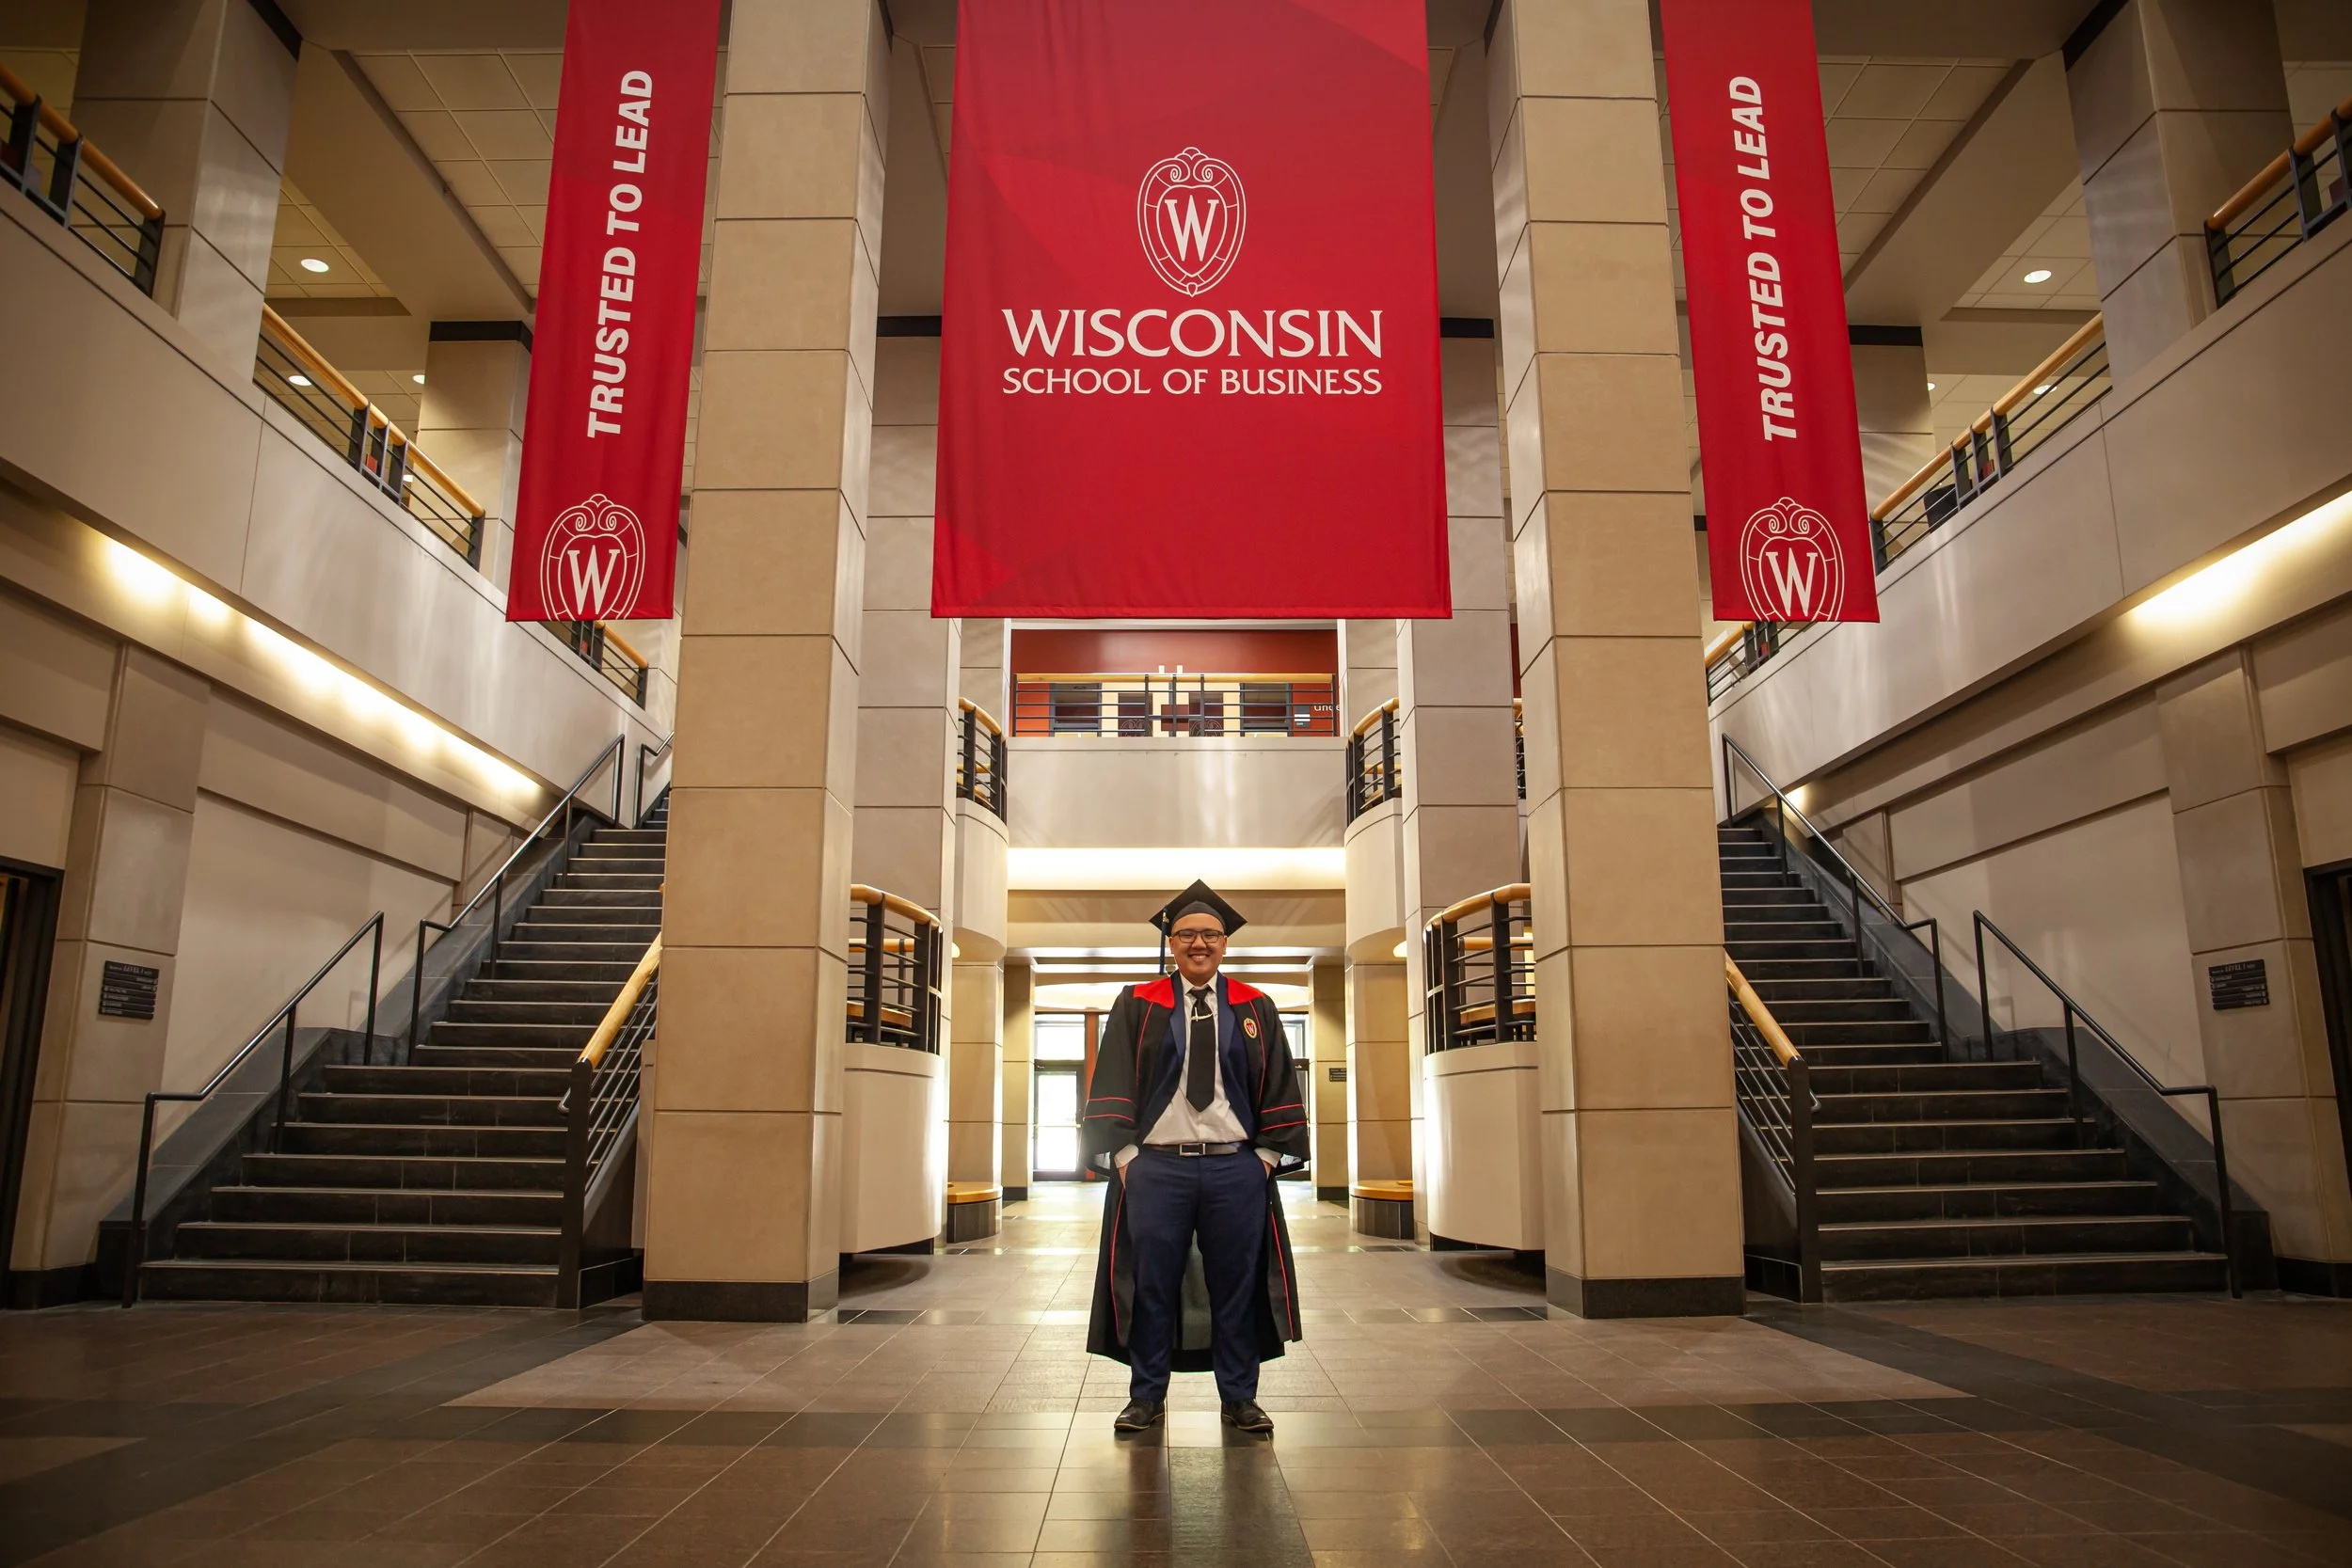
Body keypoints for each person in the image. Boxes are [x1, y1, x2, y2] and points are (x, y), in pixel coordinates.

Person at [1080, 881, 1309, 1435]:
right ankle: (1147, 1397)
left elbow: (1279, 1079)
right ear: (1172, 942)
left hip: (1236, 1167)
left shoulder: (1255, 1006)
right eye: (1186, 934)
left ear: (1225, 943)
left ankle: (1238, 1397)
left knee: (1237, 1282)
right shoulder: (1138, 1002)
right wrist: (1129, 1155)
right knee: (1152, 1281)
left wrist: (1265, 1160)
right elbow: (1111, 1075)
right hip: (1158, 1167)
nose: (1198, 943)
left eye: (1209, 934)